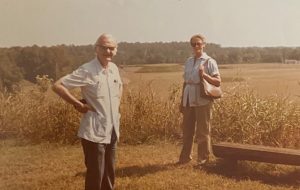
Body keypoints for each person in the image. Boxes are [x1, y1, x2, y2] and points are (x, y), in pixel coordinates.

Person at [52, 33, 122, 190]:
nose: (108, 51)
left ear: (116, 50)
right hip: (93, 132)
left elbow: (118, 92)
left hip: (112, 129)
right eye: (104, 47)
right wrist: (78, 104)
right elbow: (58, 86)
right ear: (96, 49)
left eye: (112, 48)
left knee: (109, 173)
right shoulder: (87, 70)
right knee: (96, 175)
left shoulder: (114, 69)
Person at [178, 34, 221, 167]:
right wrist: (182, 101)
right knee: (187, 131)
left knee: (203, 132)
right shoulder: (189, 61)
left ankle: (203, 160)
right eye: (193, 44)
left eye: (198, 43)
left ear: (204, 45)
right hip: (188, 99)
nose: (196, 46)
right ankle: (185, 158)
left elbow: (218, 81)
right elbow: (186, 82)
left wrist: (204, 75)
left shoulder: (209, 61)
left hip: (203, 99)